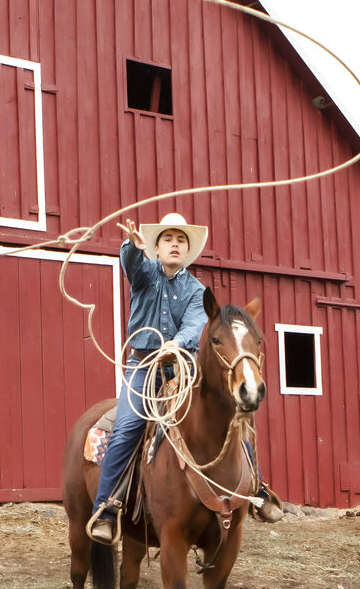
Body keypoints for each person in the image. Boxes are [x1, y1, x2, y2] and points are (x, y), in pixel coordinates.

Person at [87, 212, 283, 546]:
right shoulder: (146, 273)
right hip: (143, 367)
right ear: (158, 248)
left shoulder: (195, 290)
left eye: (181, 241)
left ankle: (258, 487)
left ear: (187, 251)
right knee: (127, 427)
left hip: (181, 366)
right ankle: (107, 507)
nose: (174, 245)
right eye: (168, 240)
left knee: (233, 416)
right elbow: (131, 266)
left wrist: (177, 344)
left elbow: (195, 325)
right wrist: (134, 248)